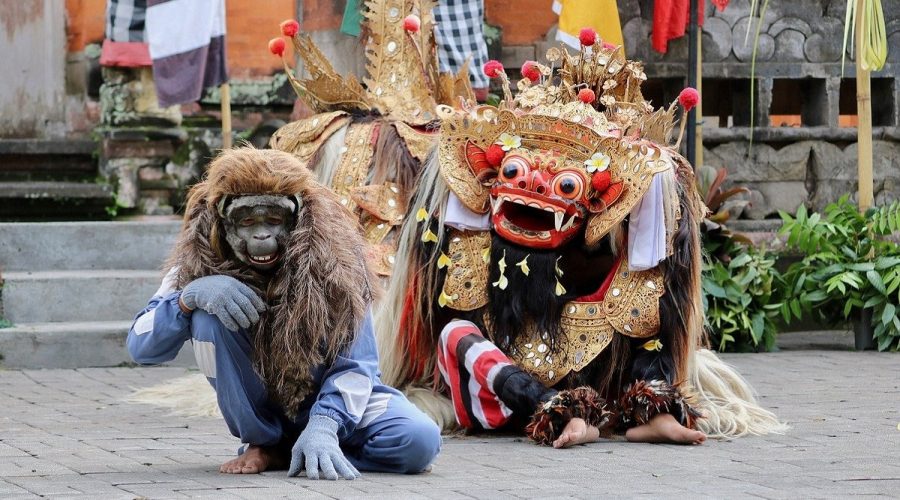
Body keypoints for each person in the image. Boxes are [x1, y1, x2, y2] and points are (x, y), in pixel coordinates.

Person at [373, 40, 787, 447]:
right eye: (516, 172)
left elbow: (653, 319)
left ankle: (653, 412)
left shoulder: (640, 218)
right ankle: (557, 409)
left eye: (564, 183)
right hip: (504, 385)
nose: (534, 186)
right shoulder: (469, 222)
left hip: (601, 374)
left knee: (643, 305)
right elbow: (444, 324)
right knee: (457, 336)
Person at [127, 148, 441, 478]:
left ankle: (309, 449)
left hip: (332, 401)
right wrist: (188, 299)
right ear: (222, 220)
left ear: (299, 217)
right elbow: (141, 347)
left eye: (274, 221)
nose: (262, 236)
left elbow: (358, 363)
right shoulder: (198, 259)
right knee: (207, 317)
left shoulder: (338, 260)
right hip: (262, 405)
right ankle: (264, 443)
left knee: (420, 441)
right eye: (247, 222)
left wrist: (325, 424)